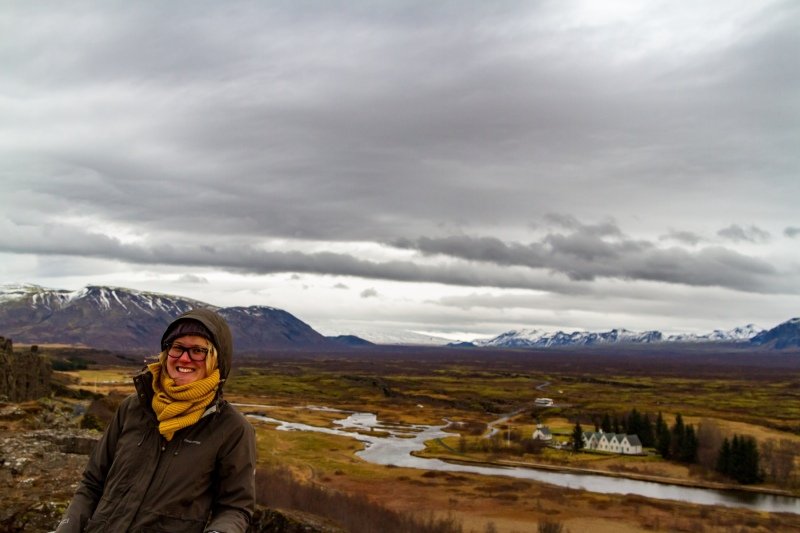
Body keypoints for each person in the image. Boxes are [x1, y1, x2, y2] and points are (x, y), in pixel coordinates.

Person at [56, 309, 257, 533]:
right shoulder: (134, 407)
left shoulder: (231, 428)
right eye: (177, 347)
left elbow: (235, 507)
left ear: (217, 360)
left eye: (198, 351)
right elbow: (92, 484)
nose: (184, 358)